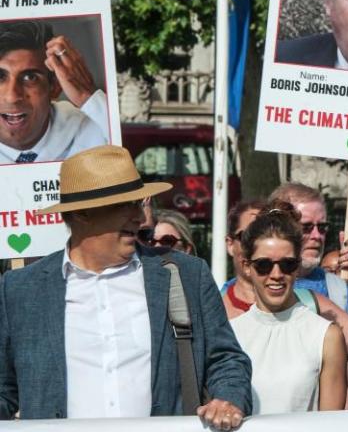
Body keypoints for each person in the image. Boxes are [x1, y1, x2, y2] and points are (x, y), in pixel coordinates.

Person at [0, 145, 251, 426]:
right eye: (126, 205)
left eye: (138, 203)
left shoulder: (185, 274)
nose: (141, 217)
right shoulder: (21, 289)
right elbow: (3, 389)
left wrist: (227, 399)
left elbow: (227, 360)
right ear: (83, 213)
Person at [267, 184, 348, 409]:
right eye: (306, 227)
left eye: (323, 227)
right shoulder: (242, 289)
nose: (317, 236)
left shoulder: (338, 289)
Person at [230, 205, 347, 413]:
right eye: (264, 265)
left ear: (298, 265)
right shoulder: (230, 334)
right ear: (247, 266)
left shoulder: (326, 336)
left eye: (287, 264)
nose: (276, 274)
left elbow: (332, 423)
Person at [0, 21, 109, 164]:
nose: (12, 97)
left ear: (55, 86)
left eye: (30, 77)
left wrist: (87, 97)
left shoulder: (96, 129)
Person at [221, 199, 267, 319]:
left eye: (266, 236)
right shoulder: (212, 314)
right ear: (230, 245)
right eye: (247, 236)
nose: (258, 247)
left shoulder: (310, 306)